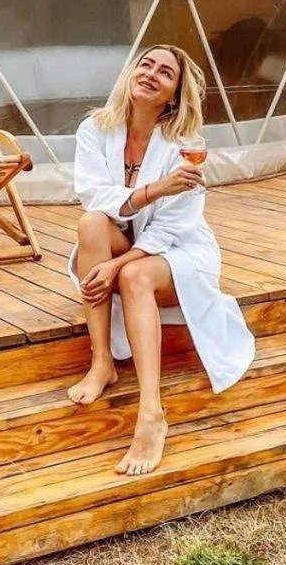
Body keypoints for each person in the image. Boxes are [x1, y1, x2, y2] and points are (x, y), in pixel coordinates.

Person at [67, 44, 256, 476]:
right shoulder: (94, 129)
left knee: (133, 275)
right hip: (126, 237)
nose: (151, 73)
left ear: (173, 94)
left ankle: (151, 414)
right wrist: (153, 190)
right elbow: (94, 195)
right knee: (90, 225)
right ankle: (102, 363)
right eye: (146, 64)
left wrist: (117, 265)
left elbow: (173, 228)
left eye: (165, 72)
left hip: (181, 251)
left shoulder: (185, 148)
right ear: (131, 72)